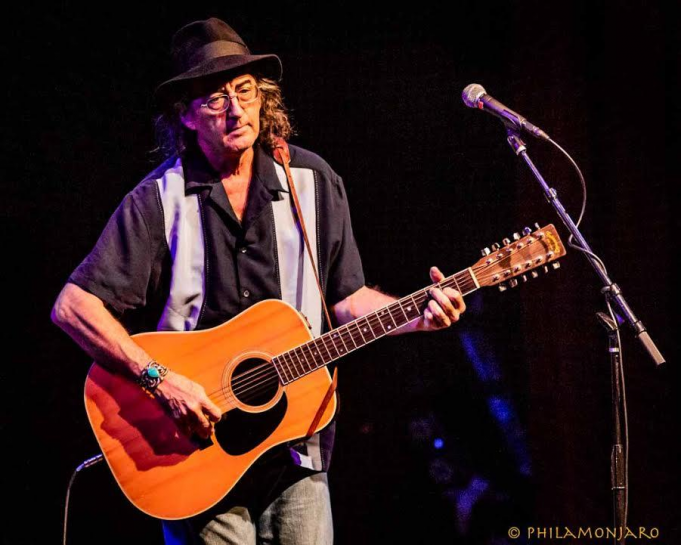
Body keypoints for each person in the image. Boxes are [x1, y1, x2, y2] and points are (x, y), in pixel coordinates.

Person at [51, 17, 466, 545]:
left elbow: (346, 299)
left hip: (298, 445)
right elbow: (73, 306)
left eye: (245, 92)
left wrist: (414, 315)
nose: (236, 109)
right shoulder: (158, 200)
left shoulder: (312, 183)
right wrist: (160, 378)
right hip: (194, 458)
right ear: (185, 116)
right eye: (216, 98)